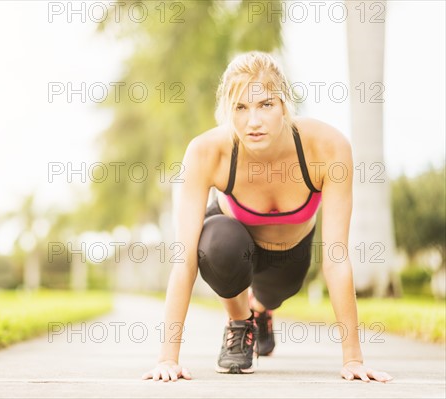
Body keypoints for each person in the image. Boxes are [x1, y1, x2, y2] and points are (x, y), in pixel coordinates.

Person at [141, 51, 393, 383]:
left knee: (276, 293)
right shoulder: (206, 152)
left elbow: (335, 257)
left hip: (288, 257)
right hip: (232, 242)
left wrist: (353, 359)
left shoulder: (327, 147)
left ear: (285, 105)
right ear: (227, 112)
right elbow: (184, 259)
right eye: (240, 108)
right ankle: (239, 324)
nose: (253, 121)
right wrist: (167, 359)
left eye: (265, 105)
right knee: (216, 245)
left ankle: (261, 309)